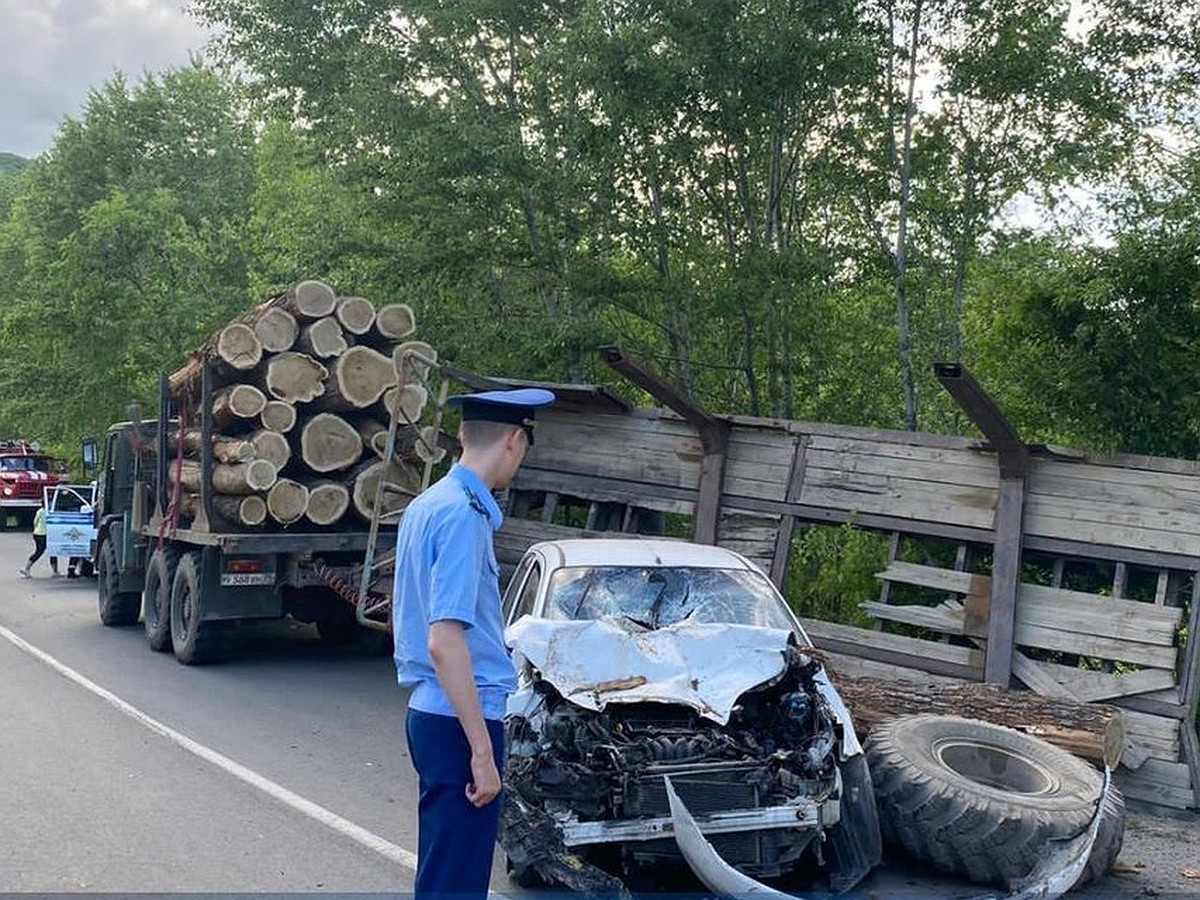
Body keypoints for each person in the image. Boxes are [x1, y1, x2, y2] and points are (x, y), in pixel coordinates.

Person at [393, 387, 554, 899]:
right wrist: (482, 752)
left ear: (464, 435)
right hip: (461, 720)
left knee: (444, 875)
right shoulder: (464, 516)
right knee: (456, 885)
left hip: (432, 712)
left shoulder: (429, 504)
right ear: (514, 441)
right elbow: (446, 641)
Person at [19, 502, 59, 578]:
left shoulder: (40, 511)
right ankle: (26, 569)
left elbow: (35, 522)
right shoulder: (51, 512)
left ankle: (55, 571)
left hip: (38, 533)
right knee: (46, 552)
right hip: (44, 534)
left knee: (48, 551)